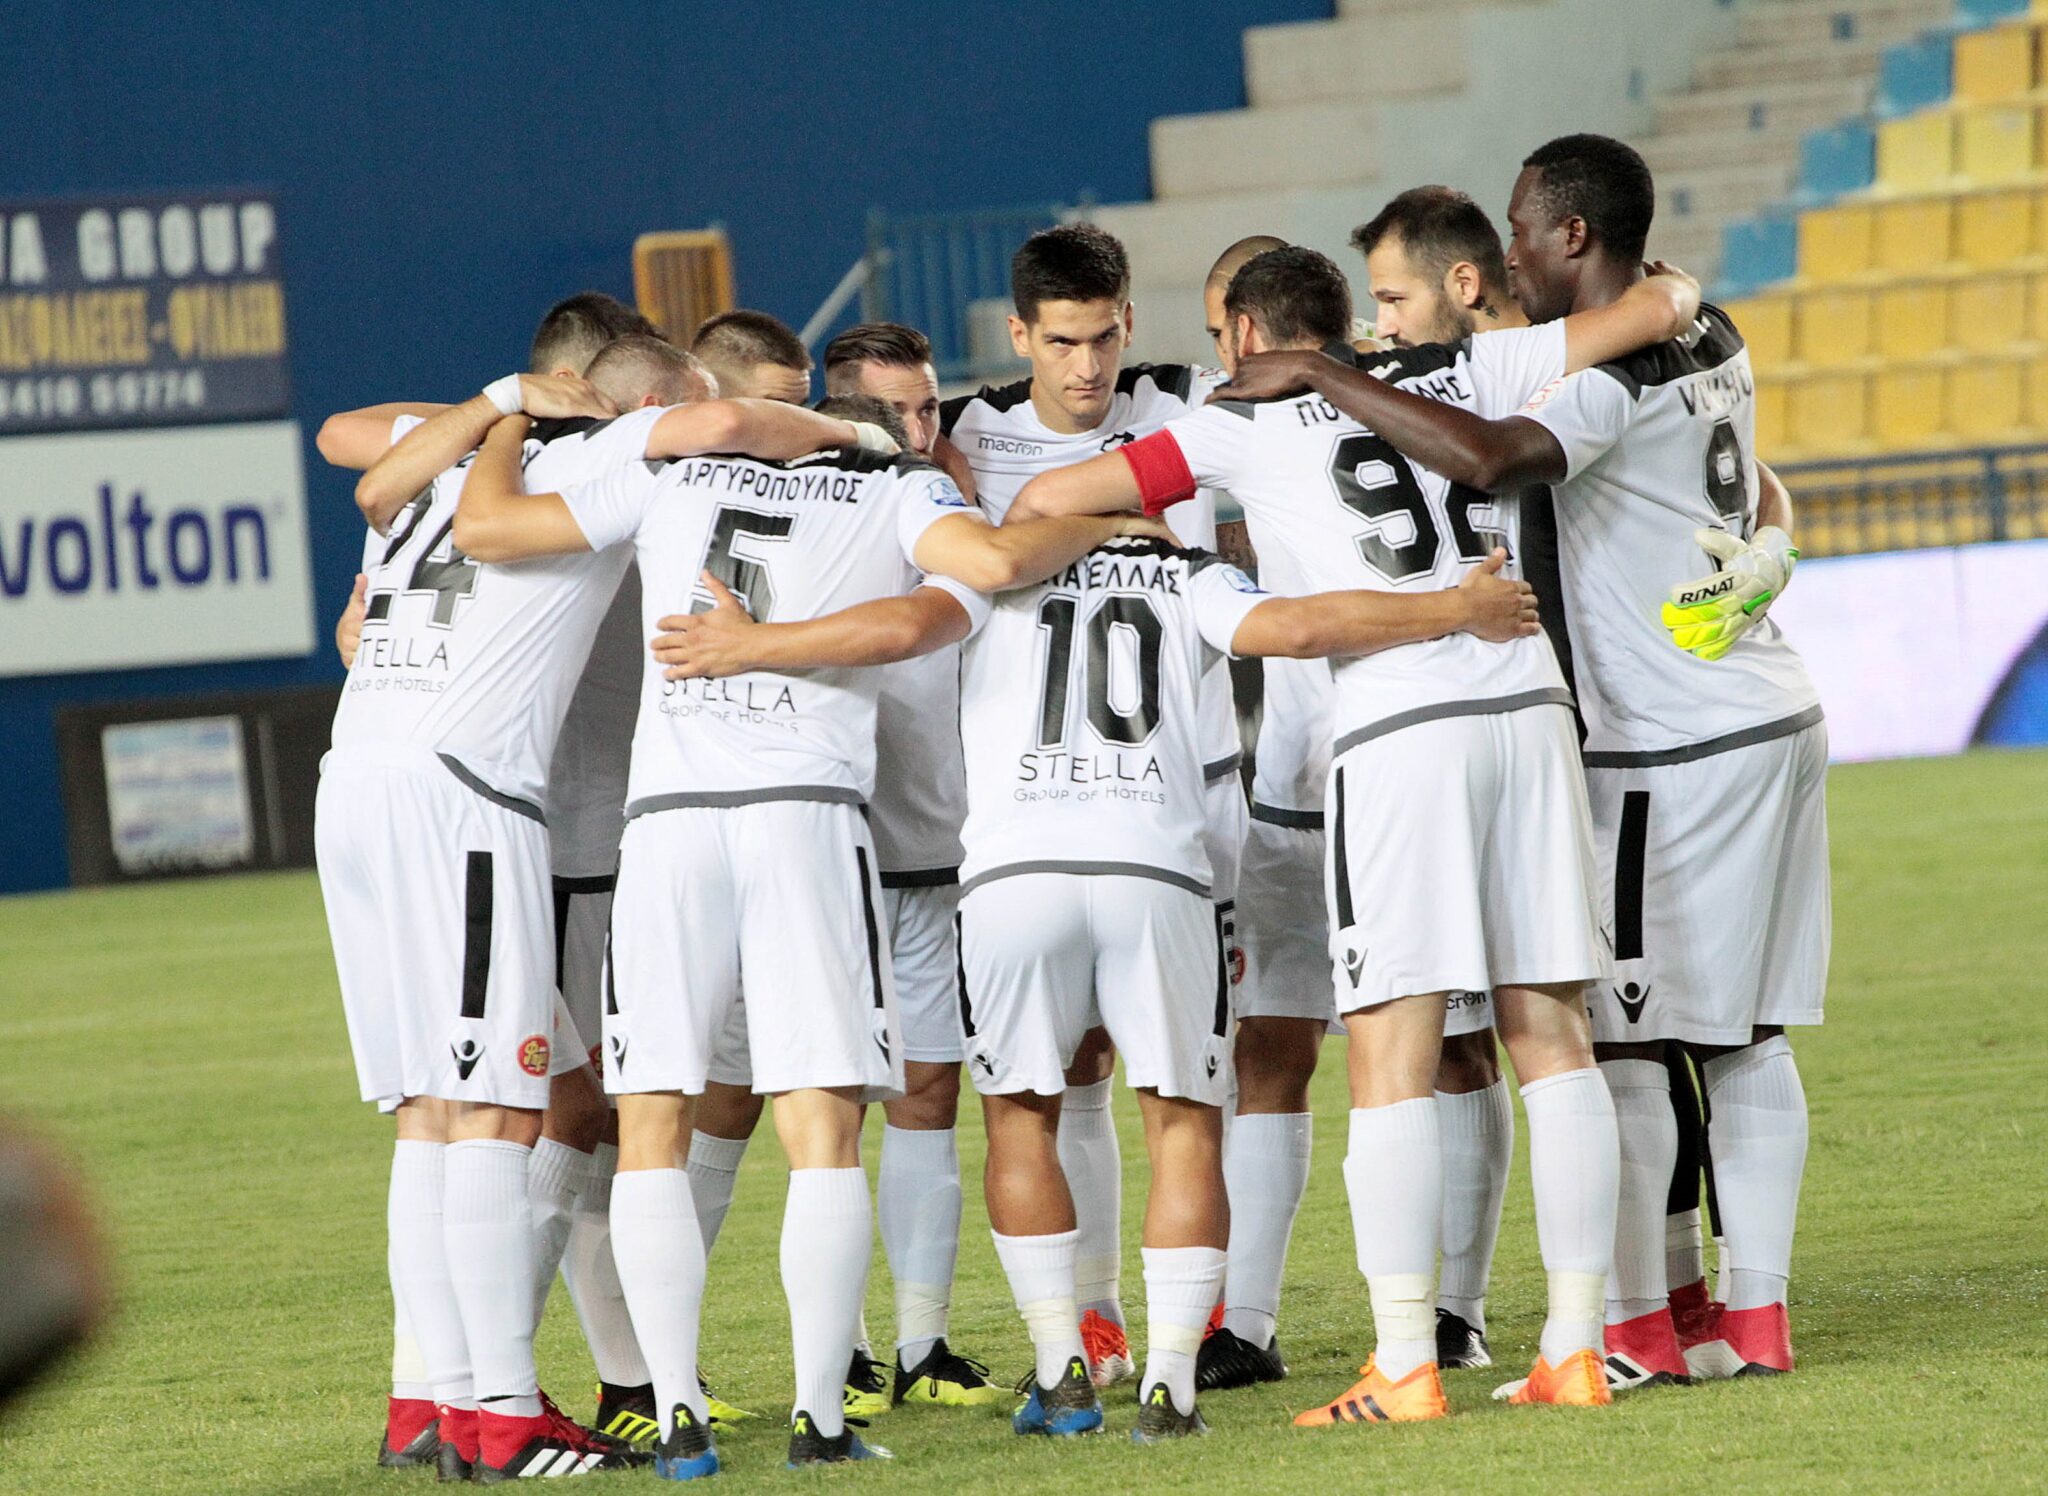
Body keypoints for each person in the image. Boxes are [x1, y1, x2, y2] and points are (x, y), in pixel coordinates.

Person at [646, 451, 1541, 1445]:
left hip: (1011, 876)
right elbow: (1291, 628)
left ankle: (1059, 1366)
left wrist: (755, 642)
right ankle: (1170, 1384)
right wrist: (1450, 609)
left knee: (1020, 1117)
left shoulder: (988, 576)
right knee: (1182, 1123)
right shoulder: (1190, 572)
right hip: (1156, 871)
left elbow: (898, 629)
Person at [1009, 242, 1699, 1421]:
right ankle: (1575, 1345)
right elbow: (1641, 315)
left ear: (1242, 337)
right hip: (1527, 695)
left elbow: (1045, 502)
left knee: (1387, 1044)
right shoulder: (1461, 367)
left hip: (1396, 726)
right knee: (1550, 1030)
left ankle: (1402, 1361)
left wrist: (1166, 538)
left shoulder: (1232, 424)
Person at [452, 387, 1165, 1471]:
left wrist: (504, 415)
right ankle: (819, 1419)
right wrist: (1106, 520)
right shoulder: (896, 487)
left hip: (667, 829)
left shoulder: (671, 475)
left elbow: (489, 527)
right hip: (806, 818)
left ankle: (677, 1414)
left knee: (650, 1124)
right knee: (820, 1130)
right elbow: (971, 578)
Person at [1223, 135, 1825, 1386]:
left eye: (1519, 227)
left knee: (1618, 1041)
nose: (1507, 249)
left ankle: (1636, 1330)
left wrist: (1325, 375)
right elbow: (1759, 481)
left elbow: (1492, 454)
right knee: (1742, 1033)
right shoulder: (1707, 328)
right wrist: (1772, 550)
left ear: (1564, 239)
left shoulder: (1589, 381)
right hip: (1764, 706)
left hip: (1659, 732)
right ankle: (1734, 1314)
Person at [319, 292, 682, 1464]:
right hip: (464, 794)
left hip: (359, 775)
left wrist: (496, 406)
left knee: (432, 1114)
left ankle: (426, 1404)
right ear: (636, 402)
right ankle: (503, 1415)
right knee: (494, 1110)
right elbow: (707, 429)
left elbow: (350, 451)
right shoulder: (610, 455)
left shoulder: (443, 454)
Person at [938, 221, 1247, 1385]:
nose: (1086, 366)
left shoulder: (1190, 401)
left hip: (1192, 789)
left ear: (1128, 321)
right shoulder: (965, 433)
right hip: (1036, 790)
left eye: (1104, 337)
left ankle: (1203, 1315)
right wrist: (1122, 524)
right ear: (1020, 335)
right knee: (1070, 1067)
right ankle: (1101, 1317)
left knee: (1189, 1068)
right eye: (1061, 342)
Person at [783, 322, 1003, 1409]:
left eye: (928, 408)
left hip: (936, 853)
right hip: (826, 849)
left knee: (928, 1091)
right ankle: (843, 1351)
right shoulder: (808, 509)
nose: (917, 428)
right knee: (822, 1105)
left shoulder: (943, 506)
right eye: (892, 411)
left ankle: (922, 1344)